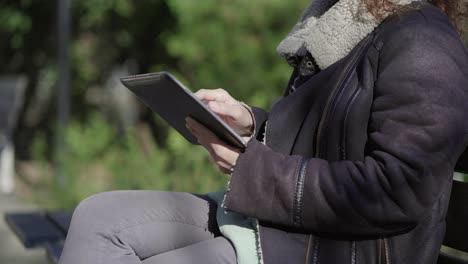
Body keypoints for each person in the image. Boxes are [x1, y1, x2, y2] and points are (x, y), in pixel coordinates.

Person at [58, 0, 468, 263]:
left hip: (341, 249)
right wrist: (250, 122)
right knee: (98, 215)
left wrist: (250, 169)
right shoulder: (349, 26)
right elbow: (331, 140)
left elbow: (399, 189)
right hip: (297, 228)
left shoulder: (424, 39)